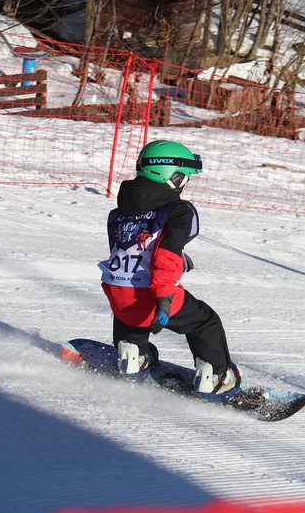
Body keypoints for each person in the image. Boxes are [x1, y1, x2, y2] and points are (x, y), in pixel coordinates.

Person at [99, 140, 242, 395]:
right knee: (205, 322)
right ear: (172, 177)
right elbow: (166, 253)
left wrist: (179, 257)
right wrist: (164, 296)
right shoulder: (179, 210)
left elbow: (127, 248)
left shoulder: (119, 212)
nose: (186, 183)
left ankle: (132, 355)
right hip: (155, 294)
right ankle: (216, 375)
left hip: (116, 291)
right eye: (185, 177)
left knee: (131, 313)